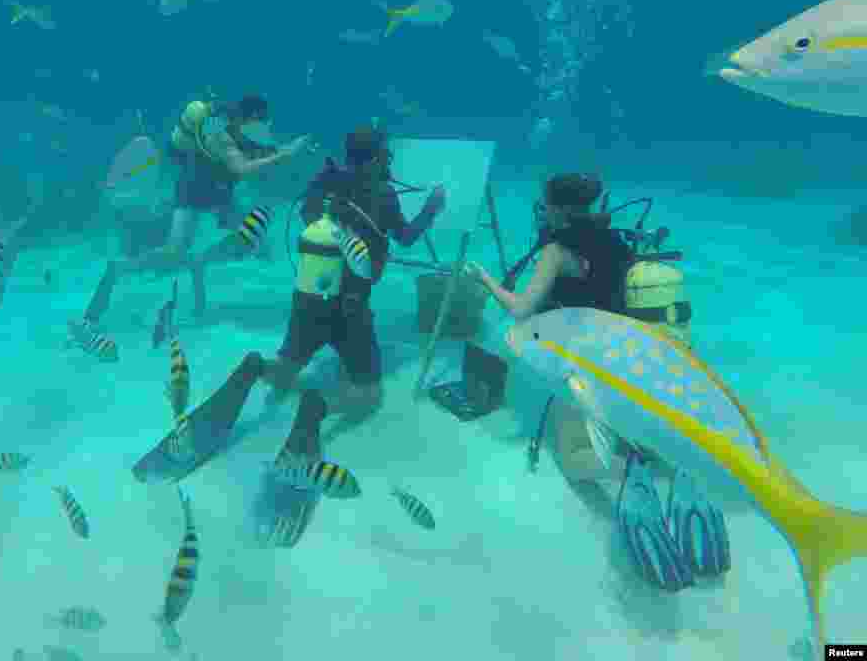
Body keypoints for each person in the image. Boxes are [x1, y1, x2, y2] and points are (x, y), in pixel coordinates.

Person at [466, 172, 729, 593]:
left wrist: (485, 281)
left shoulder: (556, 250)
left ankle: (631, 472)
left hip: (585, 361)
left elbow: (520, 310)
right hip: (626, 352)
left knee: (576, 464)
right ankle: (664, 461)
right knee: (631, 426)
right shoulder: (617, 239)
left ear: (556, 207)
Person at [262, 125, 446, 440]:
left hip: (307, 299)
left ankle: (254, 368)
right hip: (350, 310)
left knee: (283, 372)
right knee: (369, 398)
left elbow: (308, 217)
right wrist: (432, 207)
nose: (389, 162)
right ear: (375, 160)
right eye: (385, 156)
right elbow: (406, 237)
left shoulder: (327, 182)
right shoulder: (384, 195)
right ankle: (316, 410)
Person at [84, 95, 313, 322]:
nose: (267, 126)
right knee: (173, 252)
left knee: (251, 239)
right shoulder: (218, 131)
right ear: (251, 117)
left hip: (220, 190)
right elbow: (240, 167)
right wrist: (283, 155)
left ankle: (198, 269)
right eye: (264, 121)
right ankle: (119, 268)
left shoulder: (239, 127)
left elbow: (252, 153)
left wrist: (281, 150)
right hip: (193, 189)